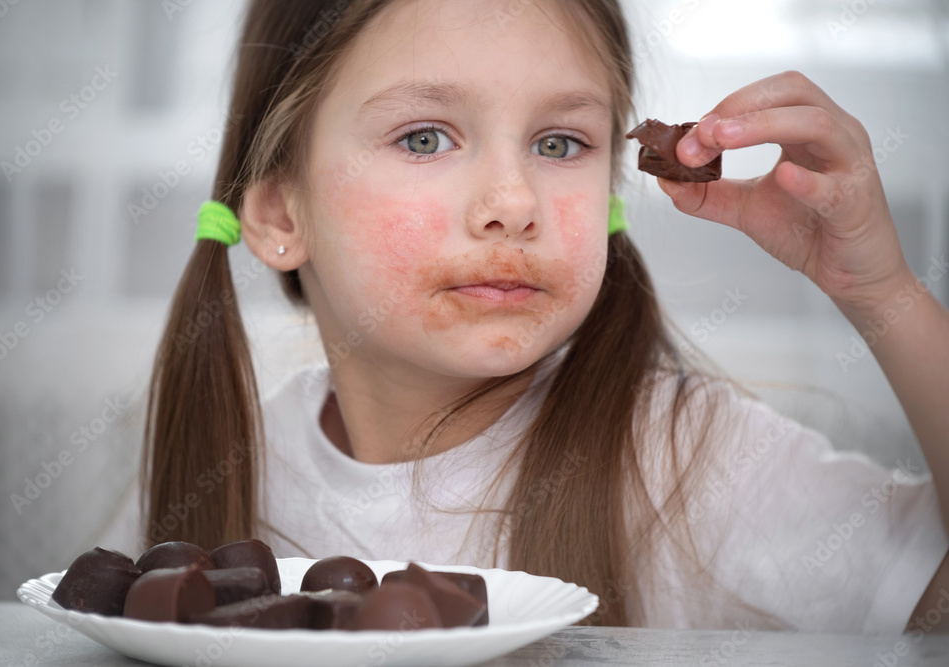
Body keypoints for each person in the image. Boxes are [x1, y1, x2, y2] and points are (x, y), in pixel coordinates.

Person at [101, 0, 949, 633]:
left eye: (558, 144)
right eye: (426, 138)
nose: (513, 203)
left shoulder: (683, 455)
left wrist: (884, 295)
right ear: (282, 214)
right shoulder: (232, 459)